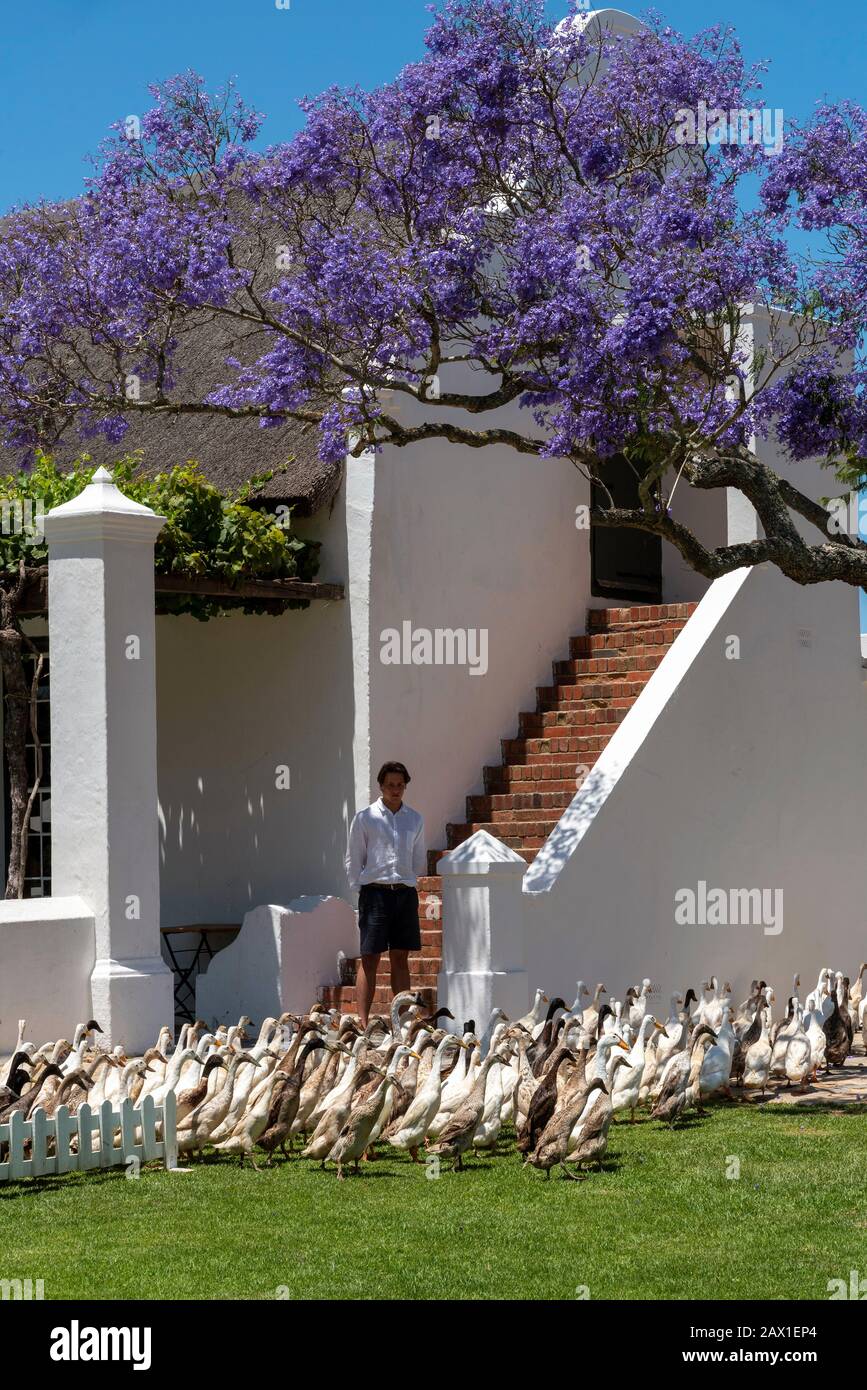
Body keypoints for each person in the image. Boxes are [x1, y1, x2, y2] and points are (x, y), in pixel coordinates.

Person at [345, 761, 426, 1026]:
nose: (395, 789)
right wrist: (362, 892)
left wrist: (409, 881)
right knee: (369, 958)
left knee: (401, 957)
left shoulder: (415, 819)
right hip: (374, 895)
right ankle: (363, 1022)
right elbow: (354, 860)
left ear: (405, 786)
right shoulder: (365, 818)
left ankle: (402, 1021)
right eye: (390, 785)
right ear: (381, 786)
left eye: (400, 785)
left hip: (404, 895)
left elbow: (418, 860)